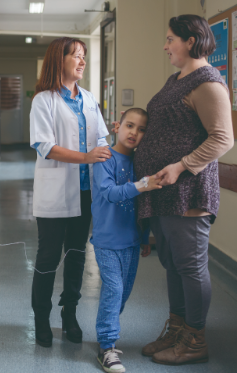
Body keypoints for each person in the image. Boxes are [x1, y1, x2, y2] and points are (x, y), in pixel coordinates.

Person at [131, 15, 234, 366]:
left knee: (190, 266)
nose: (165, 45)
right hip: (164, 191)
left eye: (171, 39)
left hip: (188, 191)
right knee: (173, 265)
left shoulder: (208, 83)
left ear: (191, 41)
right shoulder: (177, 79)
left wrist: (180, 165)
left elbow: (223, 138)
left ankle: (195, 339)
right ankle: (177, 329)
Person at [29, 37, 111, 348]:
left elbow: (101, 138)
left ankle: (70, 314)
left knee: (77, 256)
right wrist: (86, 156)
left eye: (84, 56)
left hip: (86, 192)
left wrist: (111, 141)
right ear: (58, 60)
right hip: (54, 191)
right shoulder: (44, 100)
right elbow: (45, 146)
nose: (82, 61)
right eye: (76, 55)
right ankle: (41, 317)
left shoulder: (89, 99)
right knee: (48, 256)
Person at [91, 108, 161, 373]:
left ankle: (105, 335)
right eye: (130, 126)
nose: (135, 133)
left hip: (132, 241)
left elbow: (142, 204)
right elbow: (109, 193)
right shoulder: (104, 158)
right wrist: (143, 184)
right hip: (107, 240)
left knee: (123, 293)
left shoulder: (140, 163)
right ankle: (107, 346)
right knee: (114, 289)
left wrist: (144, 237)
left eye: (142, 129)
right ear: (117, 126)